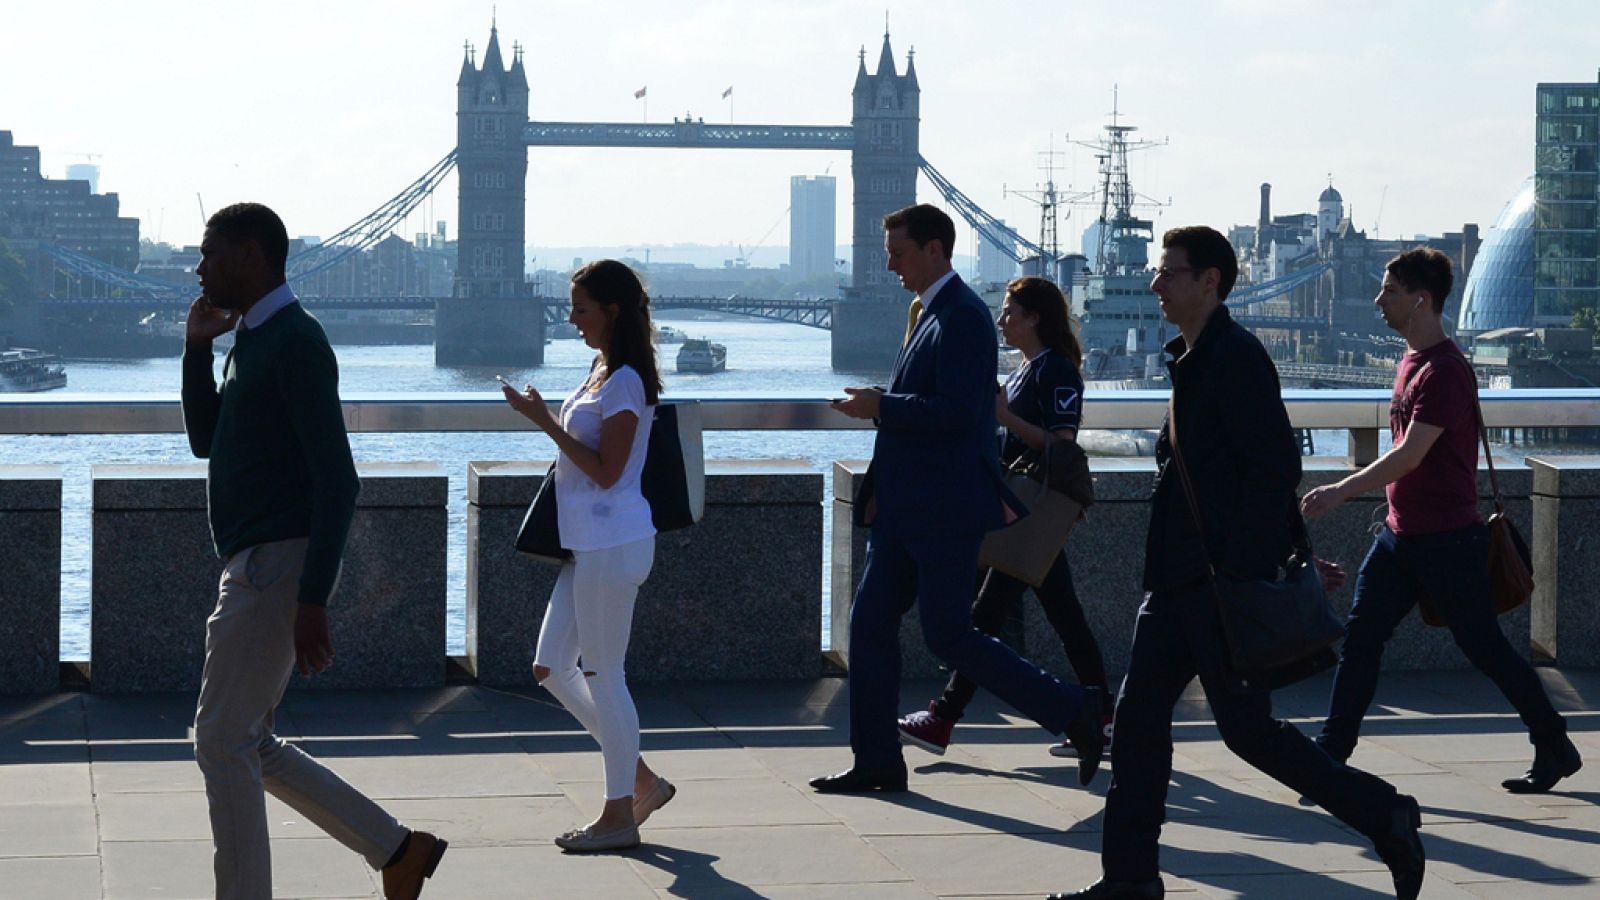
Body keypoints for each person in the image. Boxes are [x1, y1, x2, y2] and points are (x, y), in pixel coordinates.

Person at [1053, 227, 1424, 900]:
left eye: (1170, 274)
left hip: (1212, 584)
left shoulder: (1235, 360)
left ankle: (1382, 813)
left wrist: (1251, 565)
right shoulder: (1190, 359)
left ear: (1210, 282)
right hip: (1174, 584)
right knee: (1139, 727)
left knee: (1248, 734)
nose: (1156, 284)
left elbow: (1274, 467)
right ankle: (1130, 879)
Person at [182, 202, 446, 900]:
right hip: (255, 561)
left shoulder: (296, 342)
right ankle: (396, 850)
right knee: (248, 740)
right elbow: (206, 441)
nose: (199, 267)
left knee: (220, 739)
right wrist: (196, 350)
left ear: (251, 256)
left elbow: (339, 477)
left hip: (276, 564)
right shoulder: (253, 339)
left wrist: (313, 598)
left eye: (209, 252)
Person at [817, 204, 1106, 797]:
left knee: (948, 634)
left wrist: (882, 405)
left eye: (898, 253)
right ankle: (876, 759)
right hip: (906, 507)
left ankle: (1075, 711)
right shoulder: (930, 312)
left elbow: (958, 413)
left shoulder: (965, 317)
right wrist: (882, 444)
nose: (890, 264)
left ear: (933, 250)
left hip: (944, 509)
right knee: (868, 626)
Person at [1301, 247, 1580, 793]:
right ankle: (1331, 757)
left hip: (1449, 541)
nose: (1379, 300)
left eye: (1390, 291)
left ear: (1420, 299)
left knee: (1485, 649)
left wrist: (1341, 490)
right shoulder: (1409, 361)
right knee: (1361, 640)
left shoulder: (1446, 372)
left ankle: (1553, 741)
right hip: (1400, 537)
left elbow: (1409, 454)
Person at [894, 276, 1113, 759]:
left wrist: (1004, 418)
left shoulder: (1056, 371)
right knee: (1059, 616)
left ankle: (943, 718)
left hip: (1035, 509)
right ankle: (1102, 717)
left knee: (984, 620)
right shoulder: (1024, 370)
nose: (1001, 321)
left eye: (1010, 312)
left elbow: (1062, 442)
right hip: (1018, 509)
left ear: (1035, 318)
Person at [501, 259, 675, 852]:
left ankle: (618, 814)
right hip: (588, 546)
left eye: (580, 308)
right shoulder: (600, 369)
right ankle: (642, 779)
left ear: (612, 310)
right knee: (551, 668)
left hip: (614, 543)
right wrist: (547, 417)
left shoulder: (626, 379)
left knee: (605, 675)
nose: (571, 318)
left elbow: (608, 472)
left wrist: (542, 421)